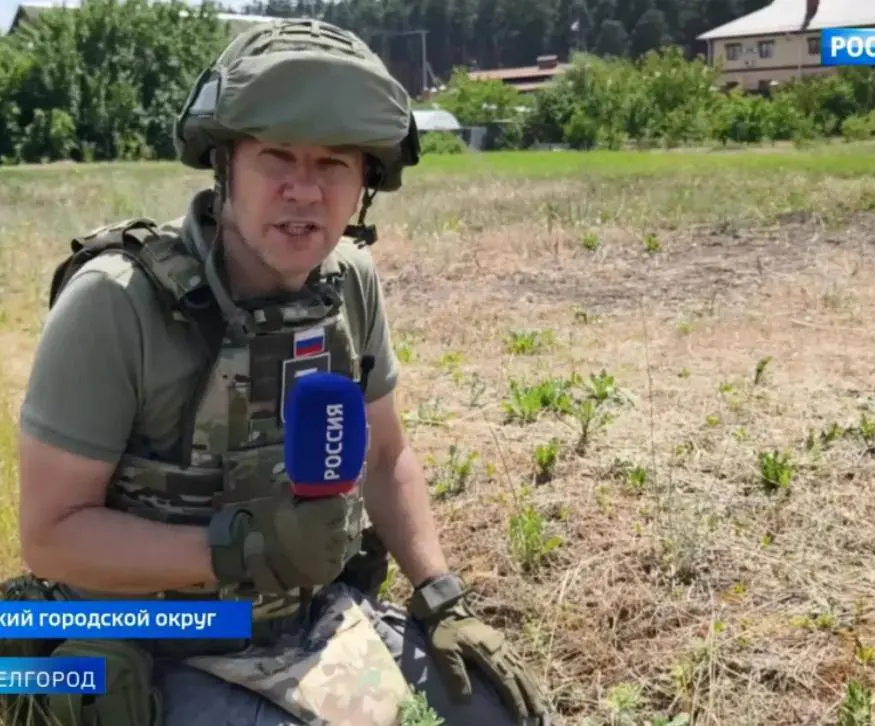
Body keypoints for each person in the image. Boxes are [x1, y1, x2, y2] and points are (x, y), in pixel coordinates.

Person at [11, 17, 551, 726]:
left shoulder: (347, 282)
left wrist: (441, 595)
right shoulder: (118, 301)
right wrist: (235, 549)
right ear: (226, 165)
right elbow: (52, 536)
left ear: (365, 183)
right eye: (277, 158)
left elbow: (385, 457)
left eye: (333, 164)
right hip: (155, 635)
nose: (305, 190)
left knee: (497, 713)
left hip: (307, 617)